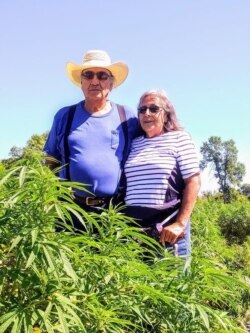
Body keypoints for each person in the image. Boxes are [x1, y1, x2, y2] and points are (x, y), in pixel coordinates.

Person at [44, 49, 139, 229]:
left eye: (102, 75)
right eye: (88, 75)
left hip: (114, 212)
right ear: (81, 82)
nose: (95, 81)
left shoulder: (127, 116)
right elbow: (51, 159)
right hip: (71, 211)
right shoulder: (65, 115)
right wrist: (50, 197)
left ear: (111, 83)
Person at [123, 89, 201, 257]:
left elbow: (193, 182)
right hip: (134, 230)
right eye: (142, 110)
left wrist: (180, 223)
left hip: (167, 229)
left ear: (166, 114)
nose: (147, 113)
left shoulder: (180, 138)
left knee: (170, 282)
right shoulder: (134, 144)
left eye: (154, 109)